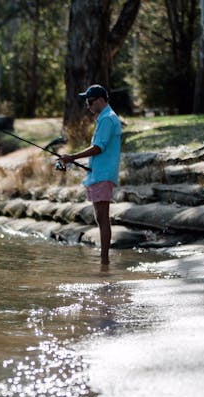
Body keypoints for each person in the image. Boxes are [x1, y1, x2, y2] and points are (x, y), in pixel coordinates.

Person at [59, 84, 121, 265]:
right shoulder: (103, 118)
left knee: (102, 217)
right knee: (100, 217)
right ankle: (104, 261)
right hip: (98, 173)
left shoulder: (108, 119)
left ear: (100, 100)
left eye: (90, 101)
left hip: (103, 175)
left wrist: (72, 157)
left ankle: (104, 261)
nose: (88, 105)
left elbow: (98, 147)